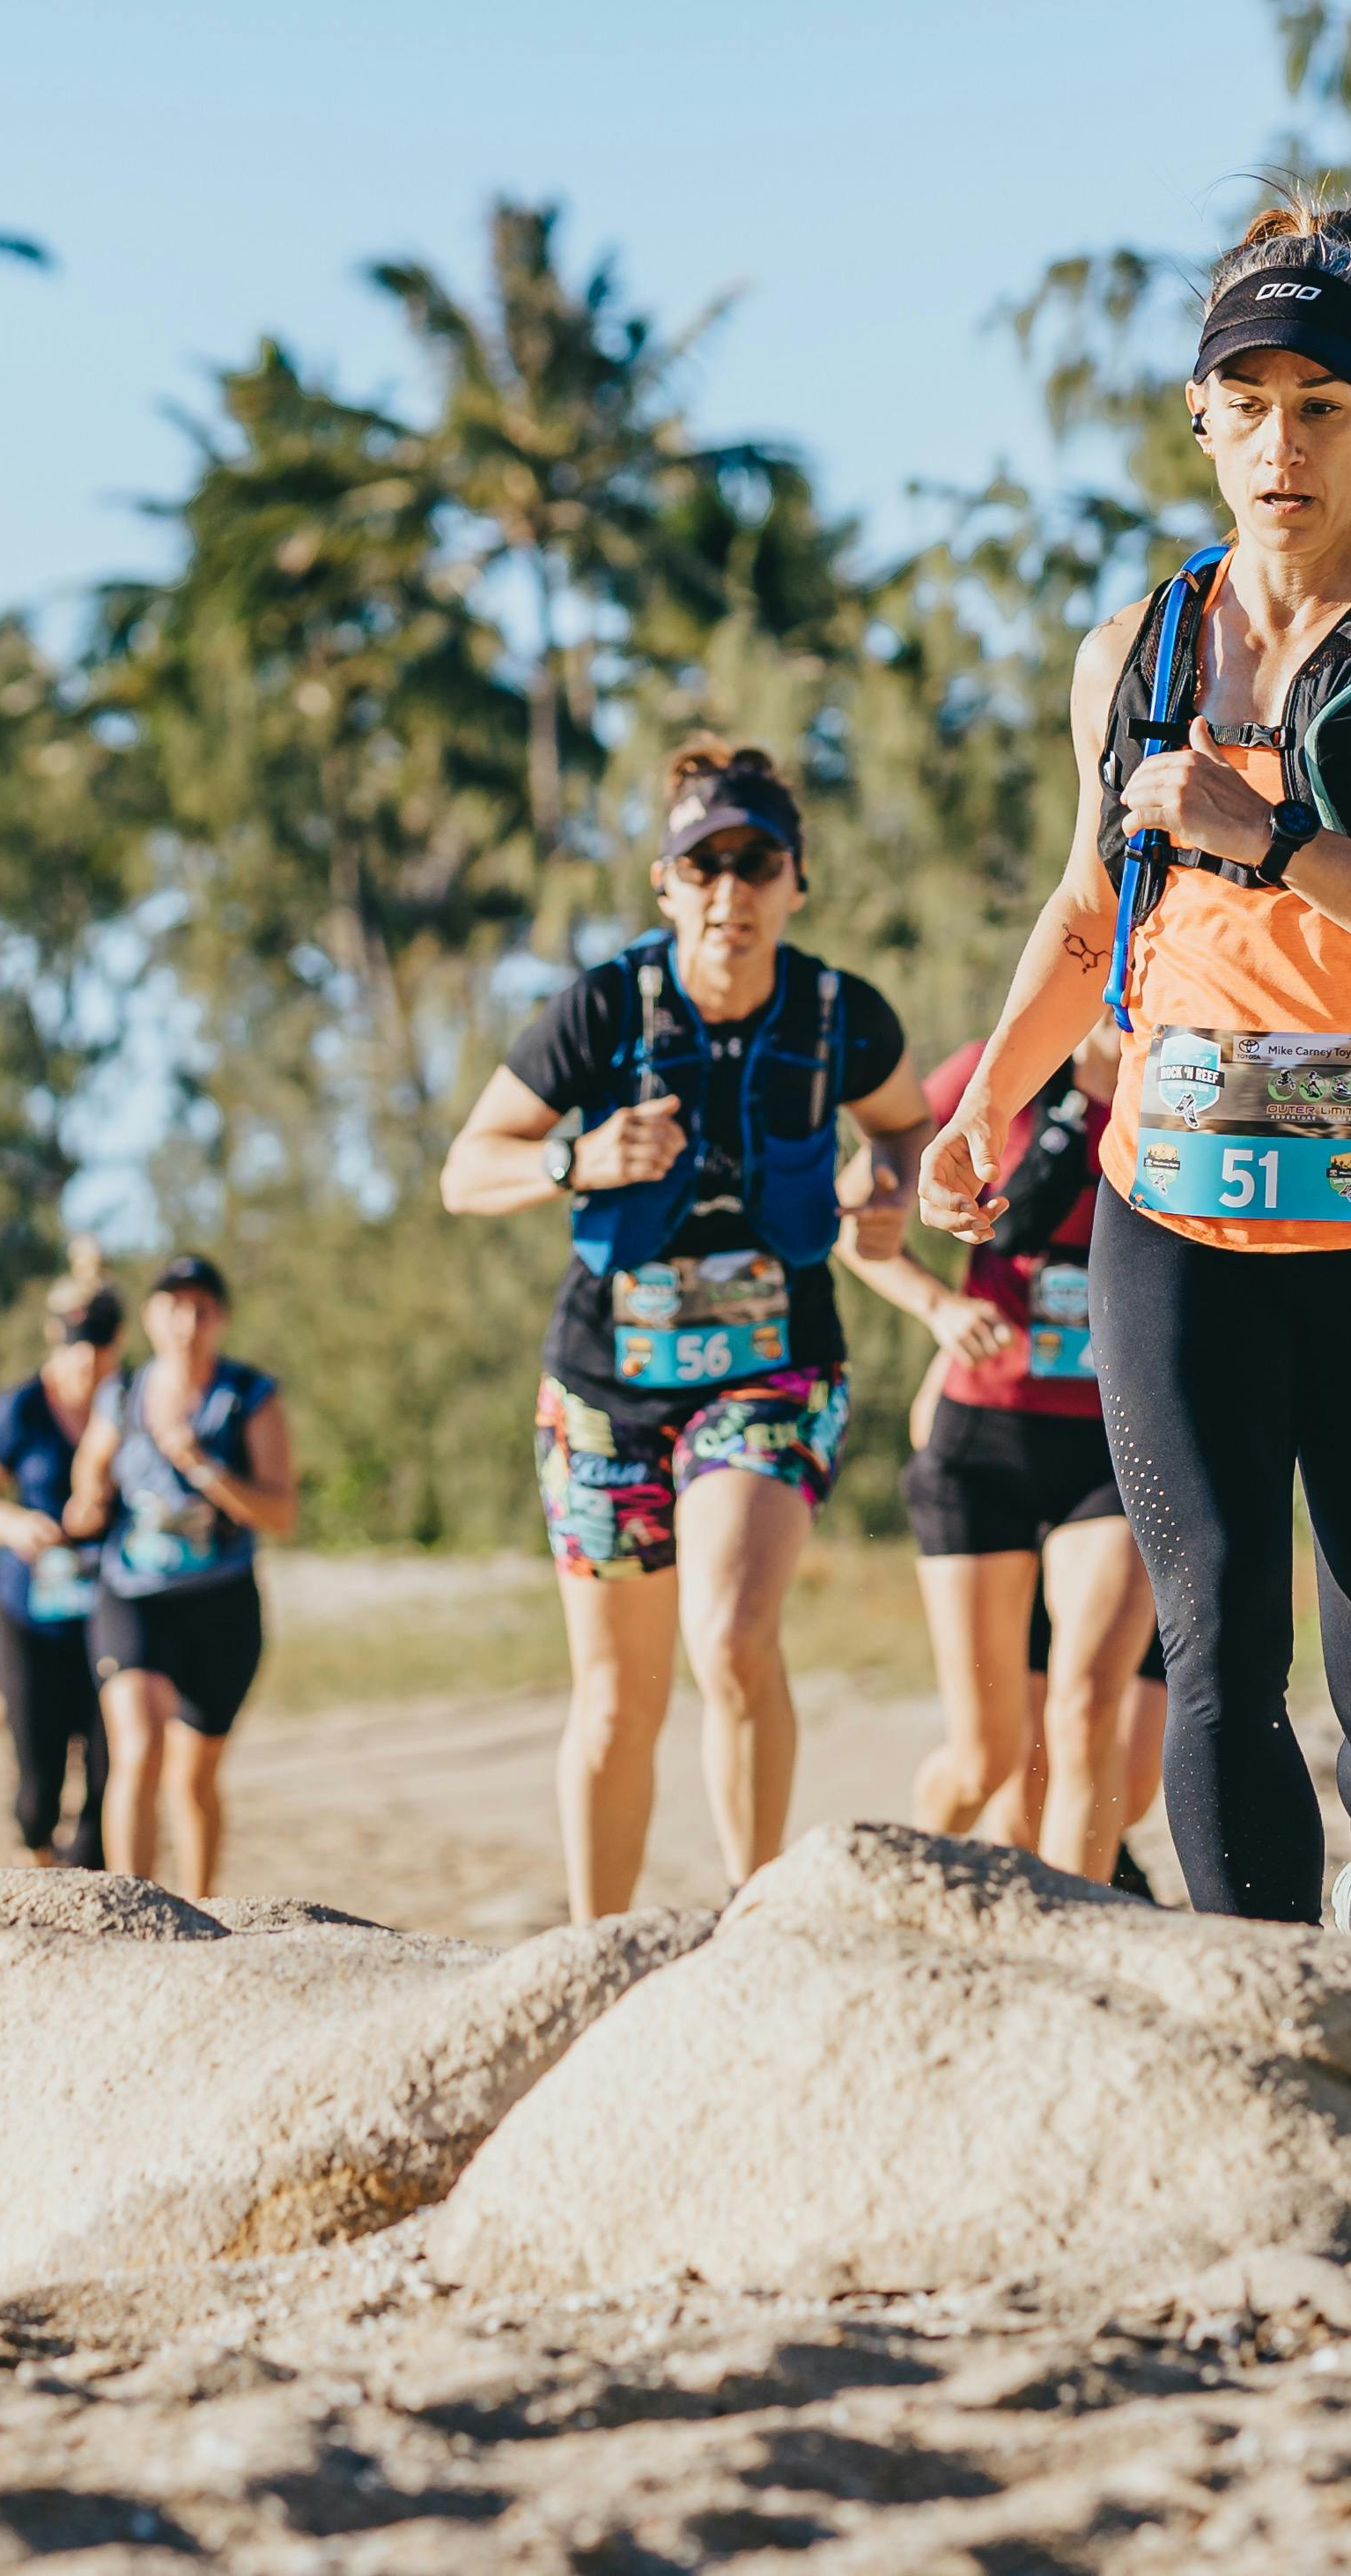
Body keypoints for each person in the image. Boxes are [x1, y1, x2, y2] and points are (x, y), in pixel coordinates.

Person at [919, 190, 1351, 1946]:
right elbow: (1081, 911)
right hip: (1173, 1224)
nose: (1284, 442)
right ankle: (1276, 2012)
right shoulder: (1127, 654)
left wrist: (1273, 841)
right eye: (1250, 401)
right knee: (1207, 1659)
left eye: (1324, 407)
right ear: (1197, 417)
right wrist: (986, 1110)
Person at [439, 740, 929, 1919]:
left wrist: (887, 1185)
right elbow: (466, 1168)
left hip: (771, 1372)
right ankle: (595, 1952)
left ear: (794, 881)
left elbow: (908, 1128)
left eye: (756, 863)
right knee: (615, 1699)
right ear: (665, 885)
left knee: (729, 1630)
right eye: (703, 866)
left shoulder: (839, 1010)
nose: (731, 892)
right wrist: (577, 1155)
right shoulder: (600, 1007)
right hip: (606, 1382)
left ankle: (747, 1920)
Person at [848, 1029, 1164, 1887]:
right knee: (991, 1762)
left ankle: (1068, 1949)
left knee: (1099, 1733)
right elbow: (858, 1216)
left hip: (1117, 1435)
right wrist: (938, 1308)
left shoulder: (1184, 1064)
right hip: (987, 1435)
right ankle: (908, 1886)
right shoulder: (1005, 1064)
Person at [63, 1252, 293, 1896]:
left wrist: (204, 1469)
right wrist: (88, 1497)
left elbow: (279, 1512)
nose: (187, 1321)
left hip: (220, 1605)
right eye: (173, 1306)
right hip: (132, 1596)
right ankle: (129, 1911)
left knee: (192, 1777)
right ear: (150, 1316)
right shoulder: (124, 1394)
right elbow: (90, 1467)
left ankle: (199, 1910)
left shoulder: (248, 1396)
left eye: (201, 1308)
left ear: (221, 1319)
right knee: (136, 1749)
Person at [0, 1246, 122, 1865]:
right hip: (29, 1616)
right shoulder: (19, 1408)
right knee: (36, 1790)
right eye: (75, 1342)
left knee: (111, 1775)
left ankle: (91, 1902)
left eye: (100, 1343)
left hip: (112, 1617)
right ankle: (39, 1870)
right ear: (55, 1339)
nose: (87, 1359)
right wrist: (16, 1524)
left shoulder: (131, 1403)